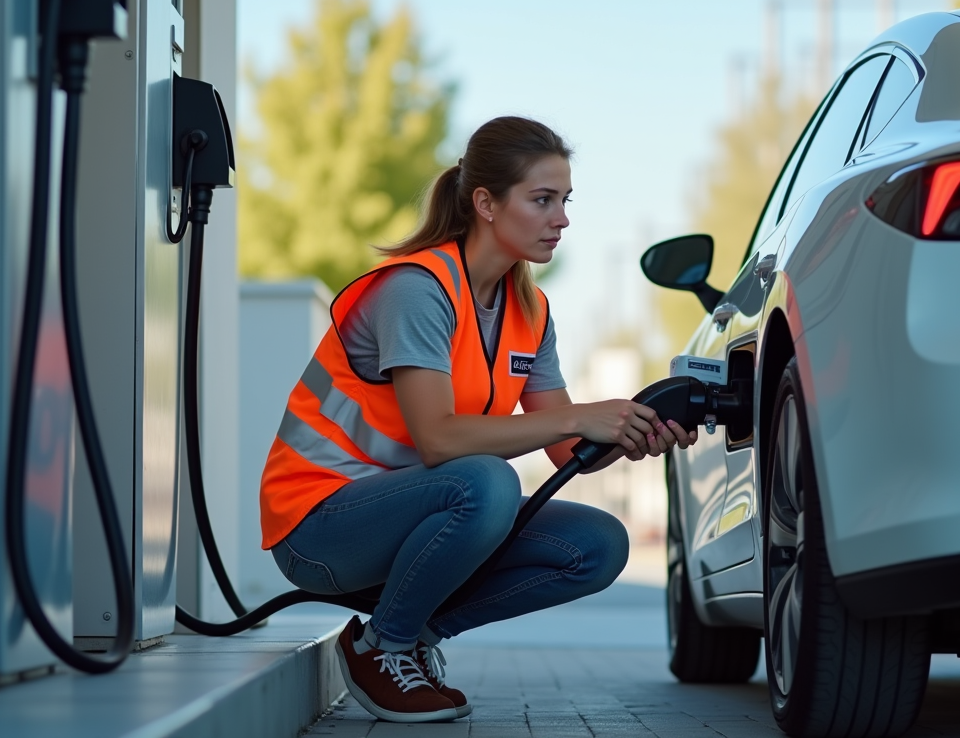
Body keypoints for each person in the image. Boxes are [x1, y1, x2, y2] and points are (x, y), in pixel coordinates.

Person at [257, 116, 697, 723]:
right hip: (322, 527)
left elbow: (566, 446)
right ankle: (379, 650)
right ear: (486, 203)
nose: (562, 218)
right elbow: (439, 441)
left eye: (565, 201)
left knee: (597, 544)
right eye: (542, 200)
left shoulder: (530, 310)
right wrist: (585, 417)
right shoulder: (417, 290)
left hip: (420, 525)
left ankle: (405, 634)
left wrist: (630, 429)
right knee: (487, 480)